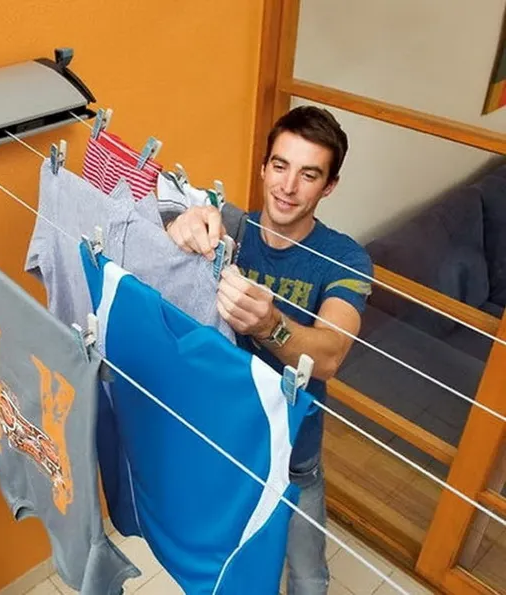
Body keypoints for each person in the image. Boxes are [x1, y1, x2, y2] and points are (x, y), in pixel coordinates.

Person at [163, 105, 373, 595]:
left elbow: (330, 356)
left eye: (309, 175)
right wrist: (179, 226)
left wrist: (270, 326)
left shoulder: (345, 258)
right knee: (229, 558)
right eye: (280, 166)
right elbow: (164, 241)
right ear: (262, 167)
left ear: (329, 187)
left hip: (296, 454)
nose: (288, 186)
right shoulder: (230, 230)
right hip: (226, 441)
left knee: (308, 573)